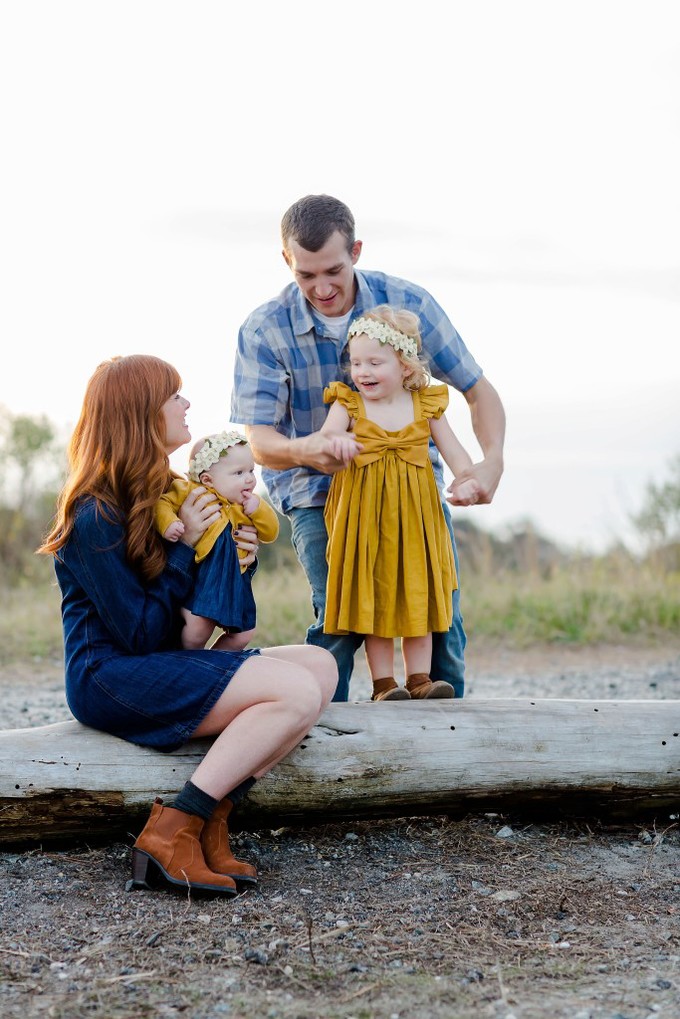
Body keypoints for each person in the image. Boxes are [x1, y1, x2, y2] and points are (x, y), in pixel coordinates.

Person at [38, 355, 337, 898]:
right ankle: (174, 830)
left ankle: (211, 823)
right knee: (292, 691)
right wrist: (183, 553)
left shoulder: (165, 491)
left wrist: (233, 556)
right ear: (140, 414)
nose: (186, 404)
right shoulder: (94, 513)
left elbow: (185, 619)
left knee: (320, 667)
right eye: (174, 395)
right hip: (111, 675)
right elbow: (139, 635)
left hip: (156, 658)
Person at [231, 194, 505, 702]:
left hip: (411, 489)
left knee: (438, 613)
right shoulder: (264, 328)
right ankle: (320, 743)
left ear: (355, 250)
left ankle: (449, 749)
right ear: (287, 262)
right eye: (305, 275)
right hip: (317, 492)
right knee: (340, 614)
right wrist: (310, 448)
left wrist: (490, 463)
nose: (322, 287)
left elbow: (476, 388)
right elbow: (262, 444)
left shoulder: (409, 304)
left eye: (333, 270)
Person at [320, 305, 480, 702]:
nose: (363, 372)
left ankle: (420, 678)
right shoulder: (349, 405)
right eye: (356, 362)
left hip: (416, 517)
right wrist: (336, 444)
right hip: (365, 518)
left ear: (405, 366)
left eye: (375, 361)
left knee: (418, 591)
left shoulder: (424, 403)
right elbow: (323, 441)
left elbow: (454, 450)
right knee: (376, 596)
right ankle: (383, 684)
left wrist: (467, 479)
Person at [154, 430, 279, 651]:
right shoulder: (190, 491)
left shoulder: (247, 504)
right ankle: (189, 661)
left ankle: (214, 664)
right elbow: (163, 504)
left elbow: (270, 533)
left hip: (236, 579)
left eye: (251, 470)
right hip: (205, 574)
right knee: (196, 633)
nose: (250, 478)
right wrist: (169, 524)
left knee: (244, 634)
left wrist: (258, 510)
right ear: (207, 480)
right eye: (239, 472)